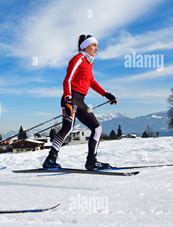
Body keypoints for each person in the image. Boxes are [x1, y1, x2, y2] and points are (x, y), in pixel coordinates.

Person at [43, 34, 117, 171]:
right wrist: (68, 98)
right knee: (67, 127)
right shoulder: (78, 59)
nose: (97, 48)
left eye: (96, 45)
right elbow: (68, 80)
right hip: (71, 98)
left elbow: (92, 82)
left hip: (81, 101)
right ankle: (50, 159)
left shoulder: (89, 63)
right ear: (85, 46)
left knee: (97, 128)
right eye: (94, 45)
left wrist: (107, 94)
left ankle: (91, 162)